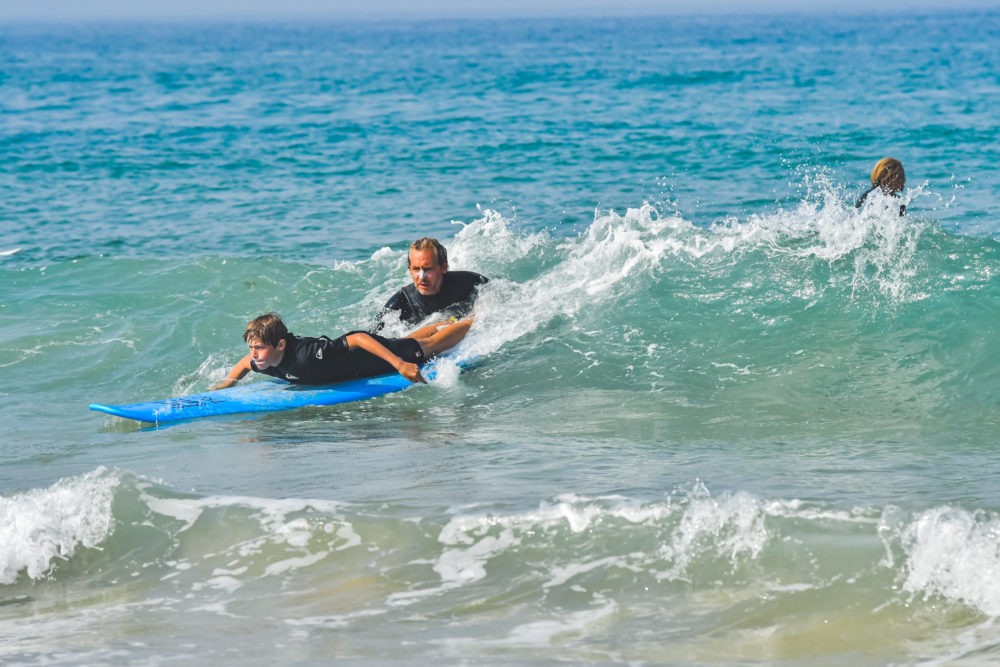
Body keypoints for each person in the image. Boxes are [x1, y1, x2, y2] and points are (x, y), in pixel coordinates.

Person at [212, 312, 472, 390]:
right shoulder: (265, 360)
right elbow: (246, 363)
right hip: (358, 365)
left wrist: (399, 365)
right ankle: (443, 322)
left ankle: (473, 321)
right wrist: (227, 383)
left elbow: (357, 338)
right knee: (405, 340)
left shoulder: (308, 354)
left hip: (368, 357)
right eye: (252, 347)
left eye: (259, 347)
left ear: (280, 345)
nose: (254, 353)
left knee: (428, 348)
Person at [372, 237, 488, 332]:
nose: (421, 277)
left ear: (443, 267)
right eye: (416, 269)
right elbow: (374, 338)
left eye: (428, 269)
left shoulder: (470, 282)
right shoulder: (399, 305)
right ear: (410, 270)